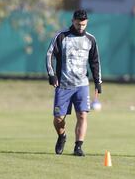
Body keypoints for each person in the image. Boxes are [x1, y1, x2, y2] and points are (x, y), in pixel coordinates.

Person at [46, 9, 102, 157]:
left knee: (83, 115)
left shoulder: (90, 39)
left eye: (83, 24)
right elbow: (49, 55)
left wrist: (98, 82)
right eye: (78, 24)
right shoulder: (61, 37)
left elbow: (95, 62)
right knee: (58, 118)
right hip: (63, 85)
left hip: (82, 85)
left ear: (87, 22)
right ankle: (62, 136)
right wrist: (52, 75)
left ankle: (78, 146)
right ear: (73, 21)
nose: (81, 27)